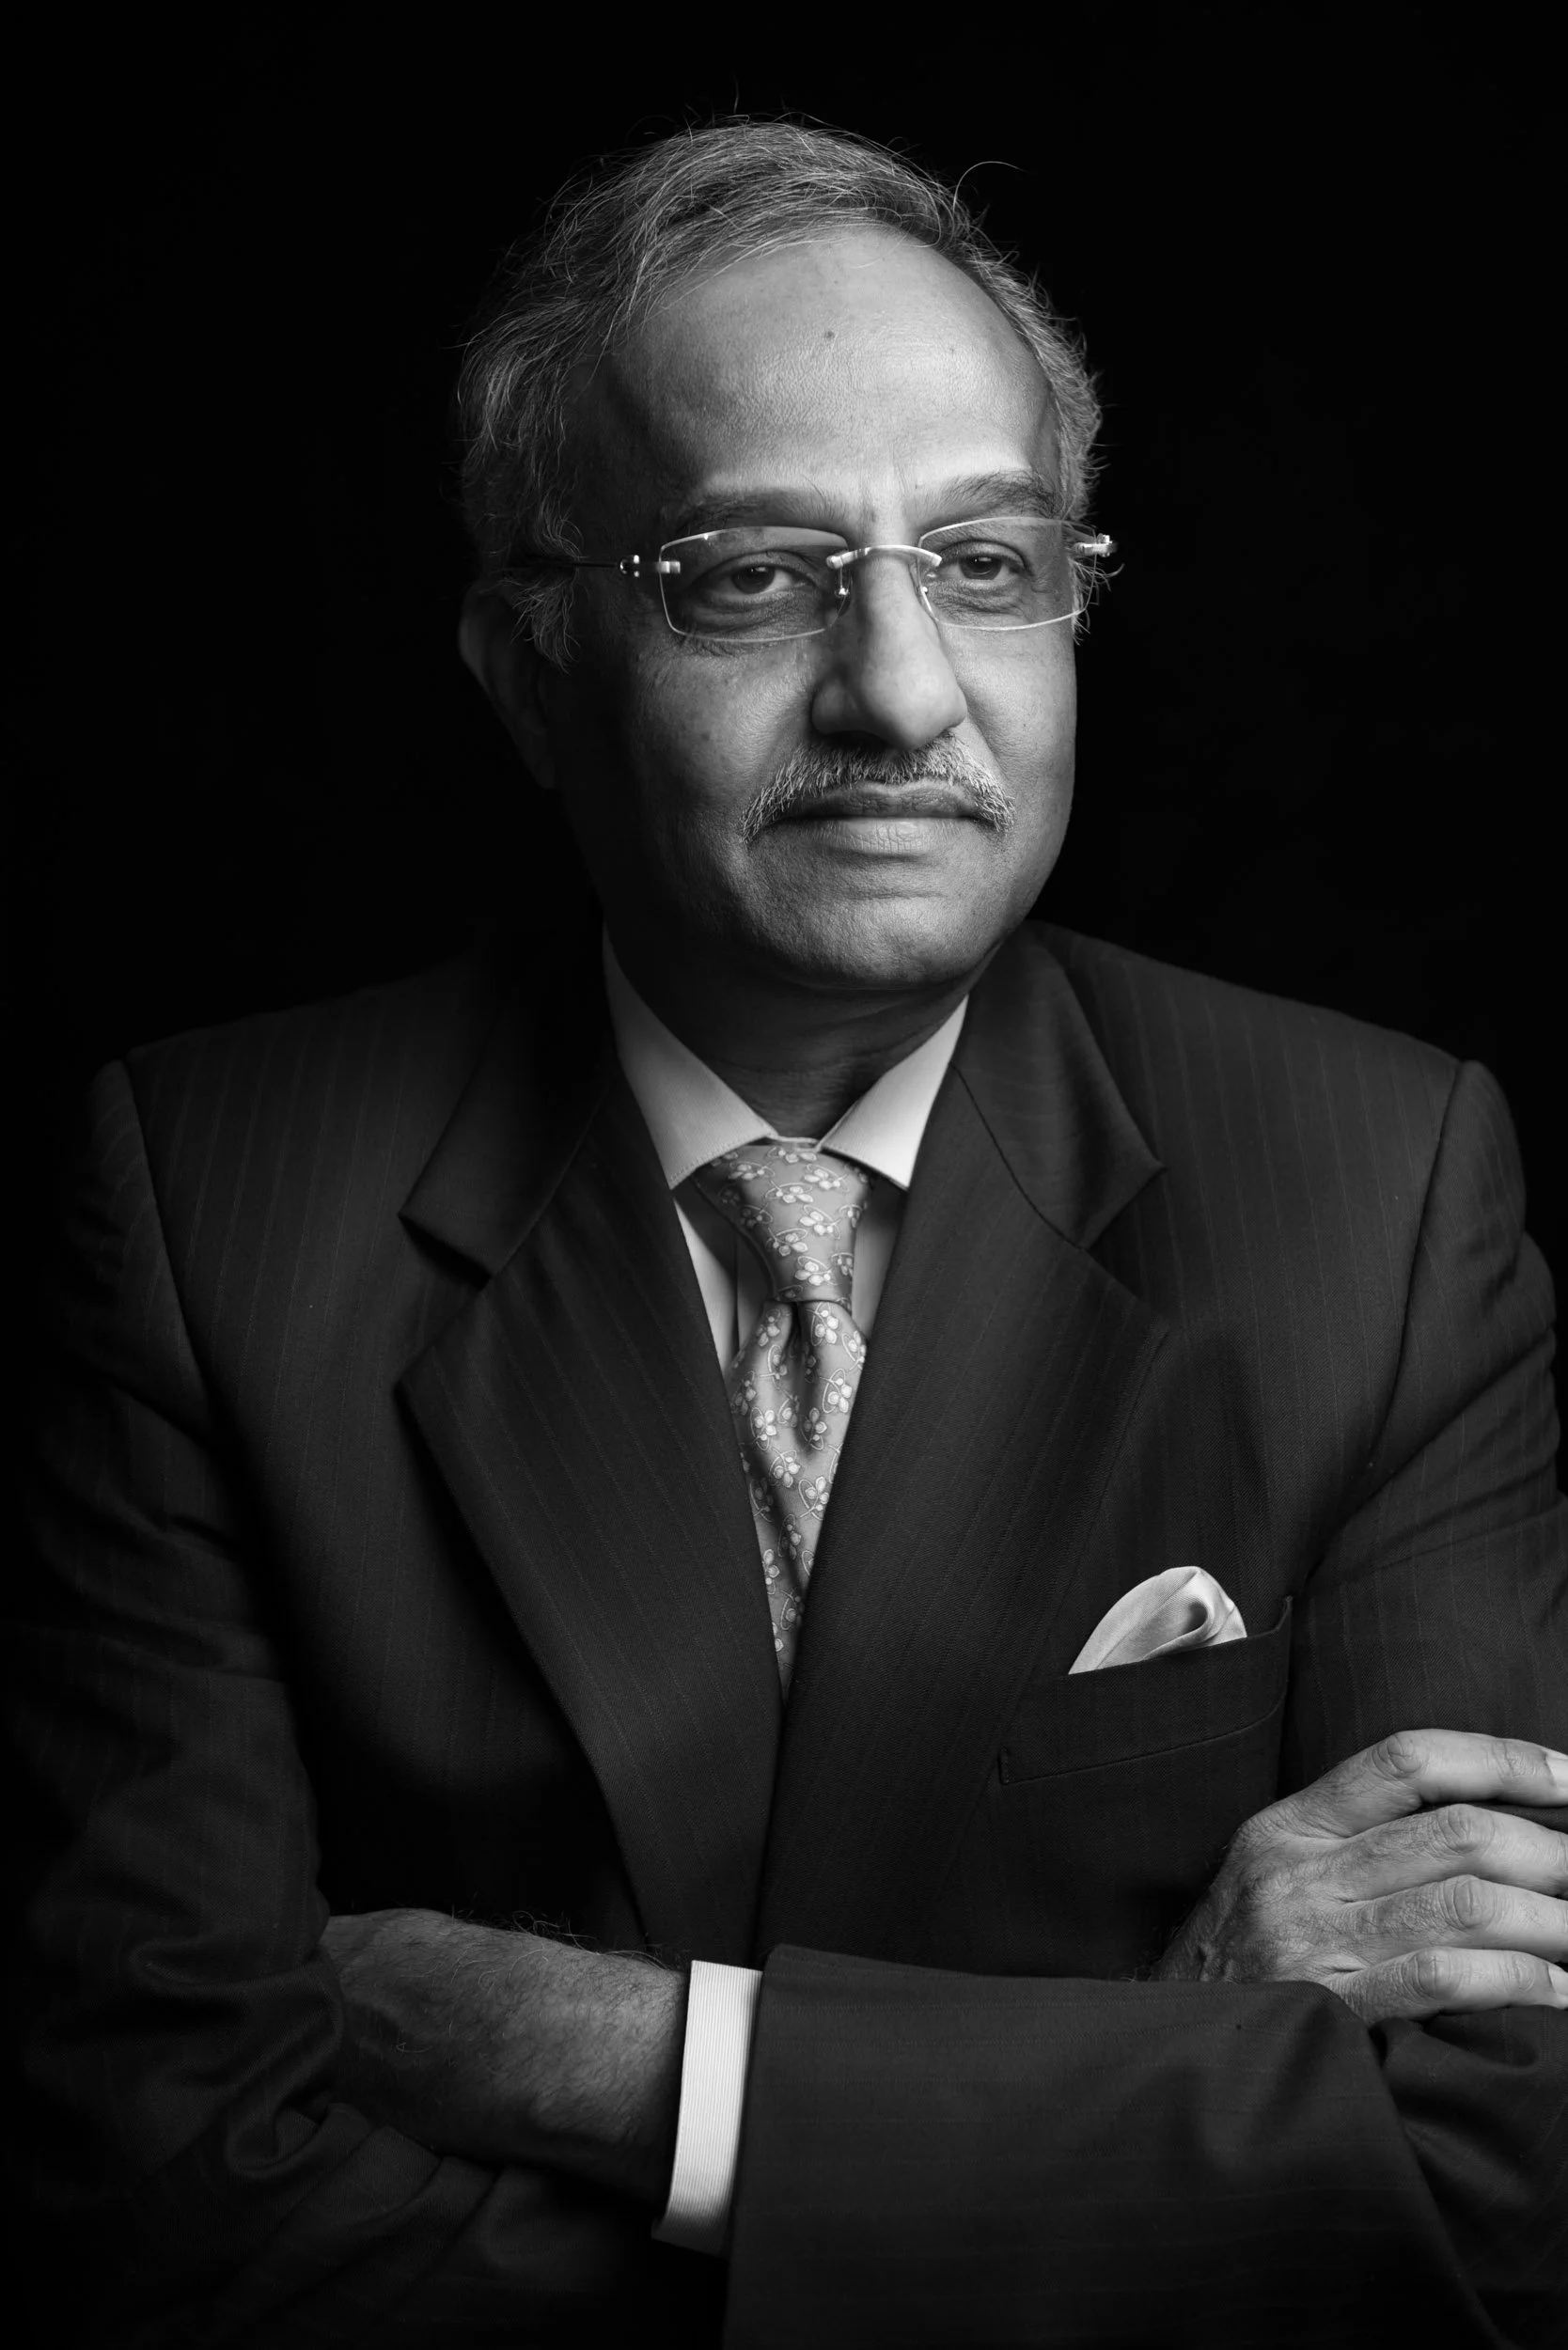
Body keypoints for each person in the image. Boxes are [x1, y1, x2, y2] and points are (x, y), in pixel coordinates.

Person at [14, 119, 1566, 2349]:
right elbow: (172, 2201)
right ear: (528, 664)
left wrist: (633, 2065)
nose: (904, 693)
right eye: (753, 576)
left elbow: (1497, 2186)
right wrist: (1179, 2050)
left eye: (988, 561)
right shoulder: (208, 1198)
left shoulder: (1384, 1186)